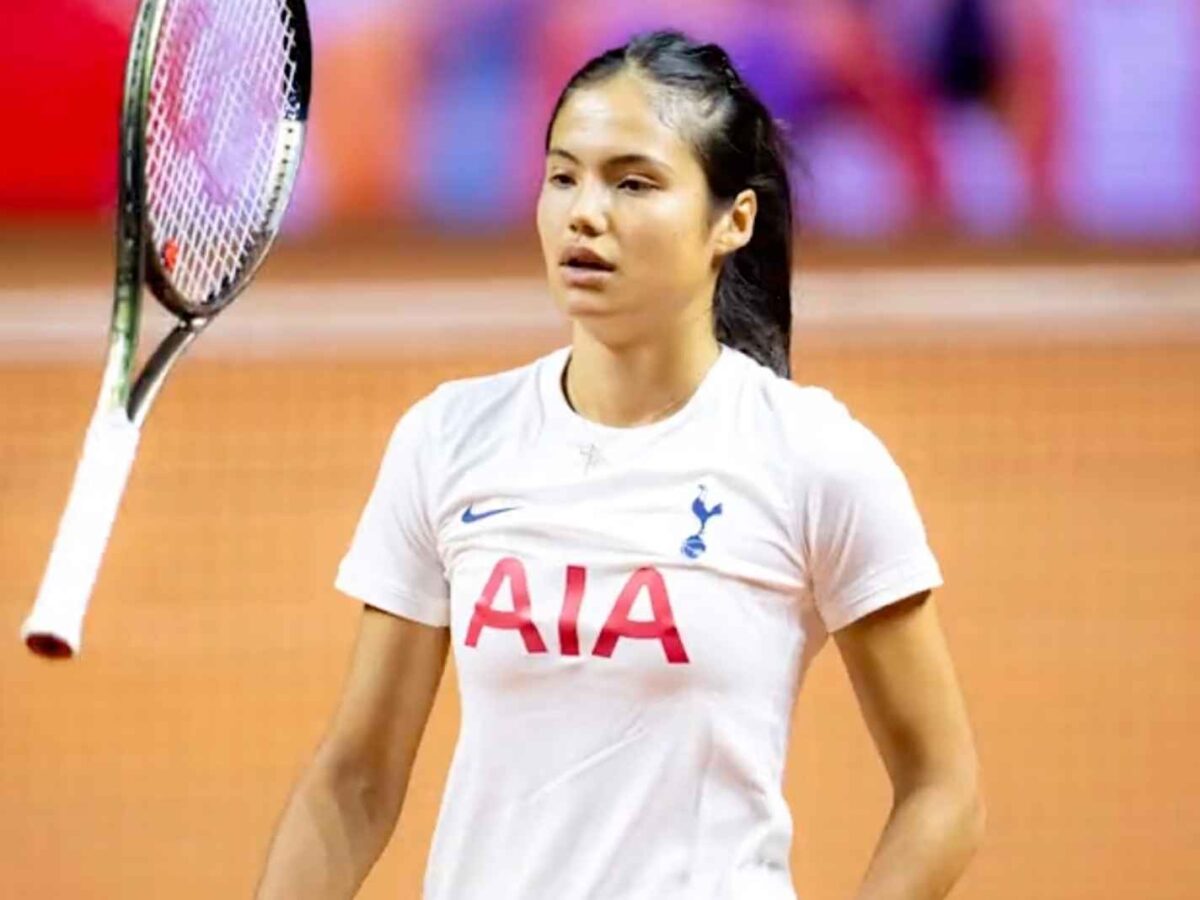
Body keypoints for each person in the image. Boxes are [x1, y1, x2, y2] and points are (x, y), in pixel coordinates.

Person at [254, 29, 984, 900]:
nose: (584, 212)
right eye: (564, 175)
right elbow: (356, 779)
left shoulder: (813, 459)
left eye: (632, 182)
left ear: (732, 221)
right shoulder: (449, 438)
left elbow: (944, 791)